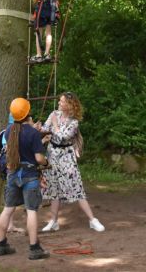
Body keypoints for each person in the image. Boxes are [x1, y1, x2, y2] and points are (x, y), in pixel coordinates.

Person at [40, 92, 105, 233]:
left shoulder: (74, 122)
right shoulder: (54, 114)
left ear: (69, 105)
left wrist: (55, 126)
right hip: (52, 156)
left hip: (66, 158)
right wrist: (40, 130)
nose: (59, 103)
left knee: (77, 188)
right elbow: (45, 129)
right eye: (59, 101)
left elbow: (63, 138)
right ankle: (53, 221)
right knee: (54, 189)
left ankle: (93, 220)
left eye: (61, 101)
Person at [0, 97, 50, 260]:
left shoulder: (9, 130)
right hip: (30, 175)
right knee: (31, 210)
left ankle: (1, 245)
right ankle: (34, 248)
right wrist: (46, 162)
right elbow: (39, 158)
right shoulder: (33, 133)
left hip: (13, 174)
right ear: (27, 113)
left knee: (8, 208)